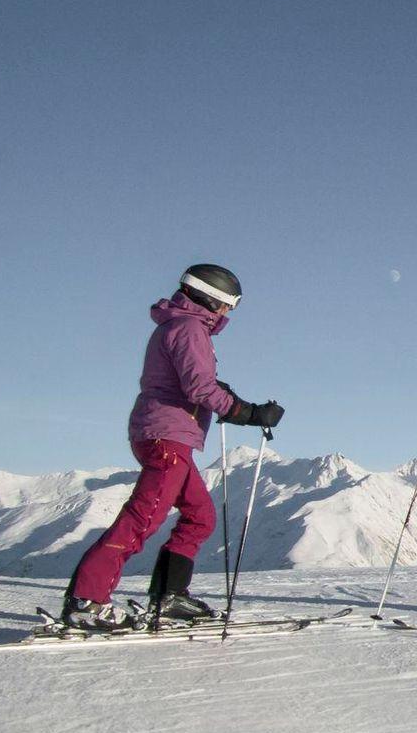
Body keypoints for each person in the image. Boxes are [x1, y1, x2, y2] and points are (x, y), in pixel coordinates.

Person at [63, 264, 284, 631]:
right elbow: (199, 388)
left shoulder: (180, 326)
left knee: (200, 515)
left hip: (166, 435)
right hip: (167, 438)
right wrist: (248, 412)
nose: (228, 312)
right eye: (228, 304)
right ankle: (87, 601)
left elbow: (194, 383)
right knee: (142, 519)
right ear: (210, 298)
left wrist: (226, 398)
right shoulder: (189, 328)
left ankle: (170, 597)